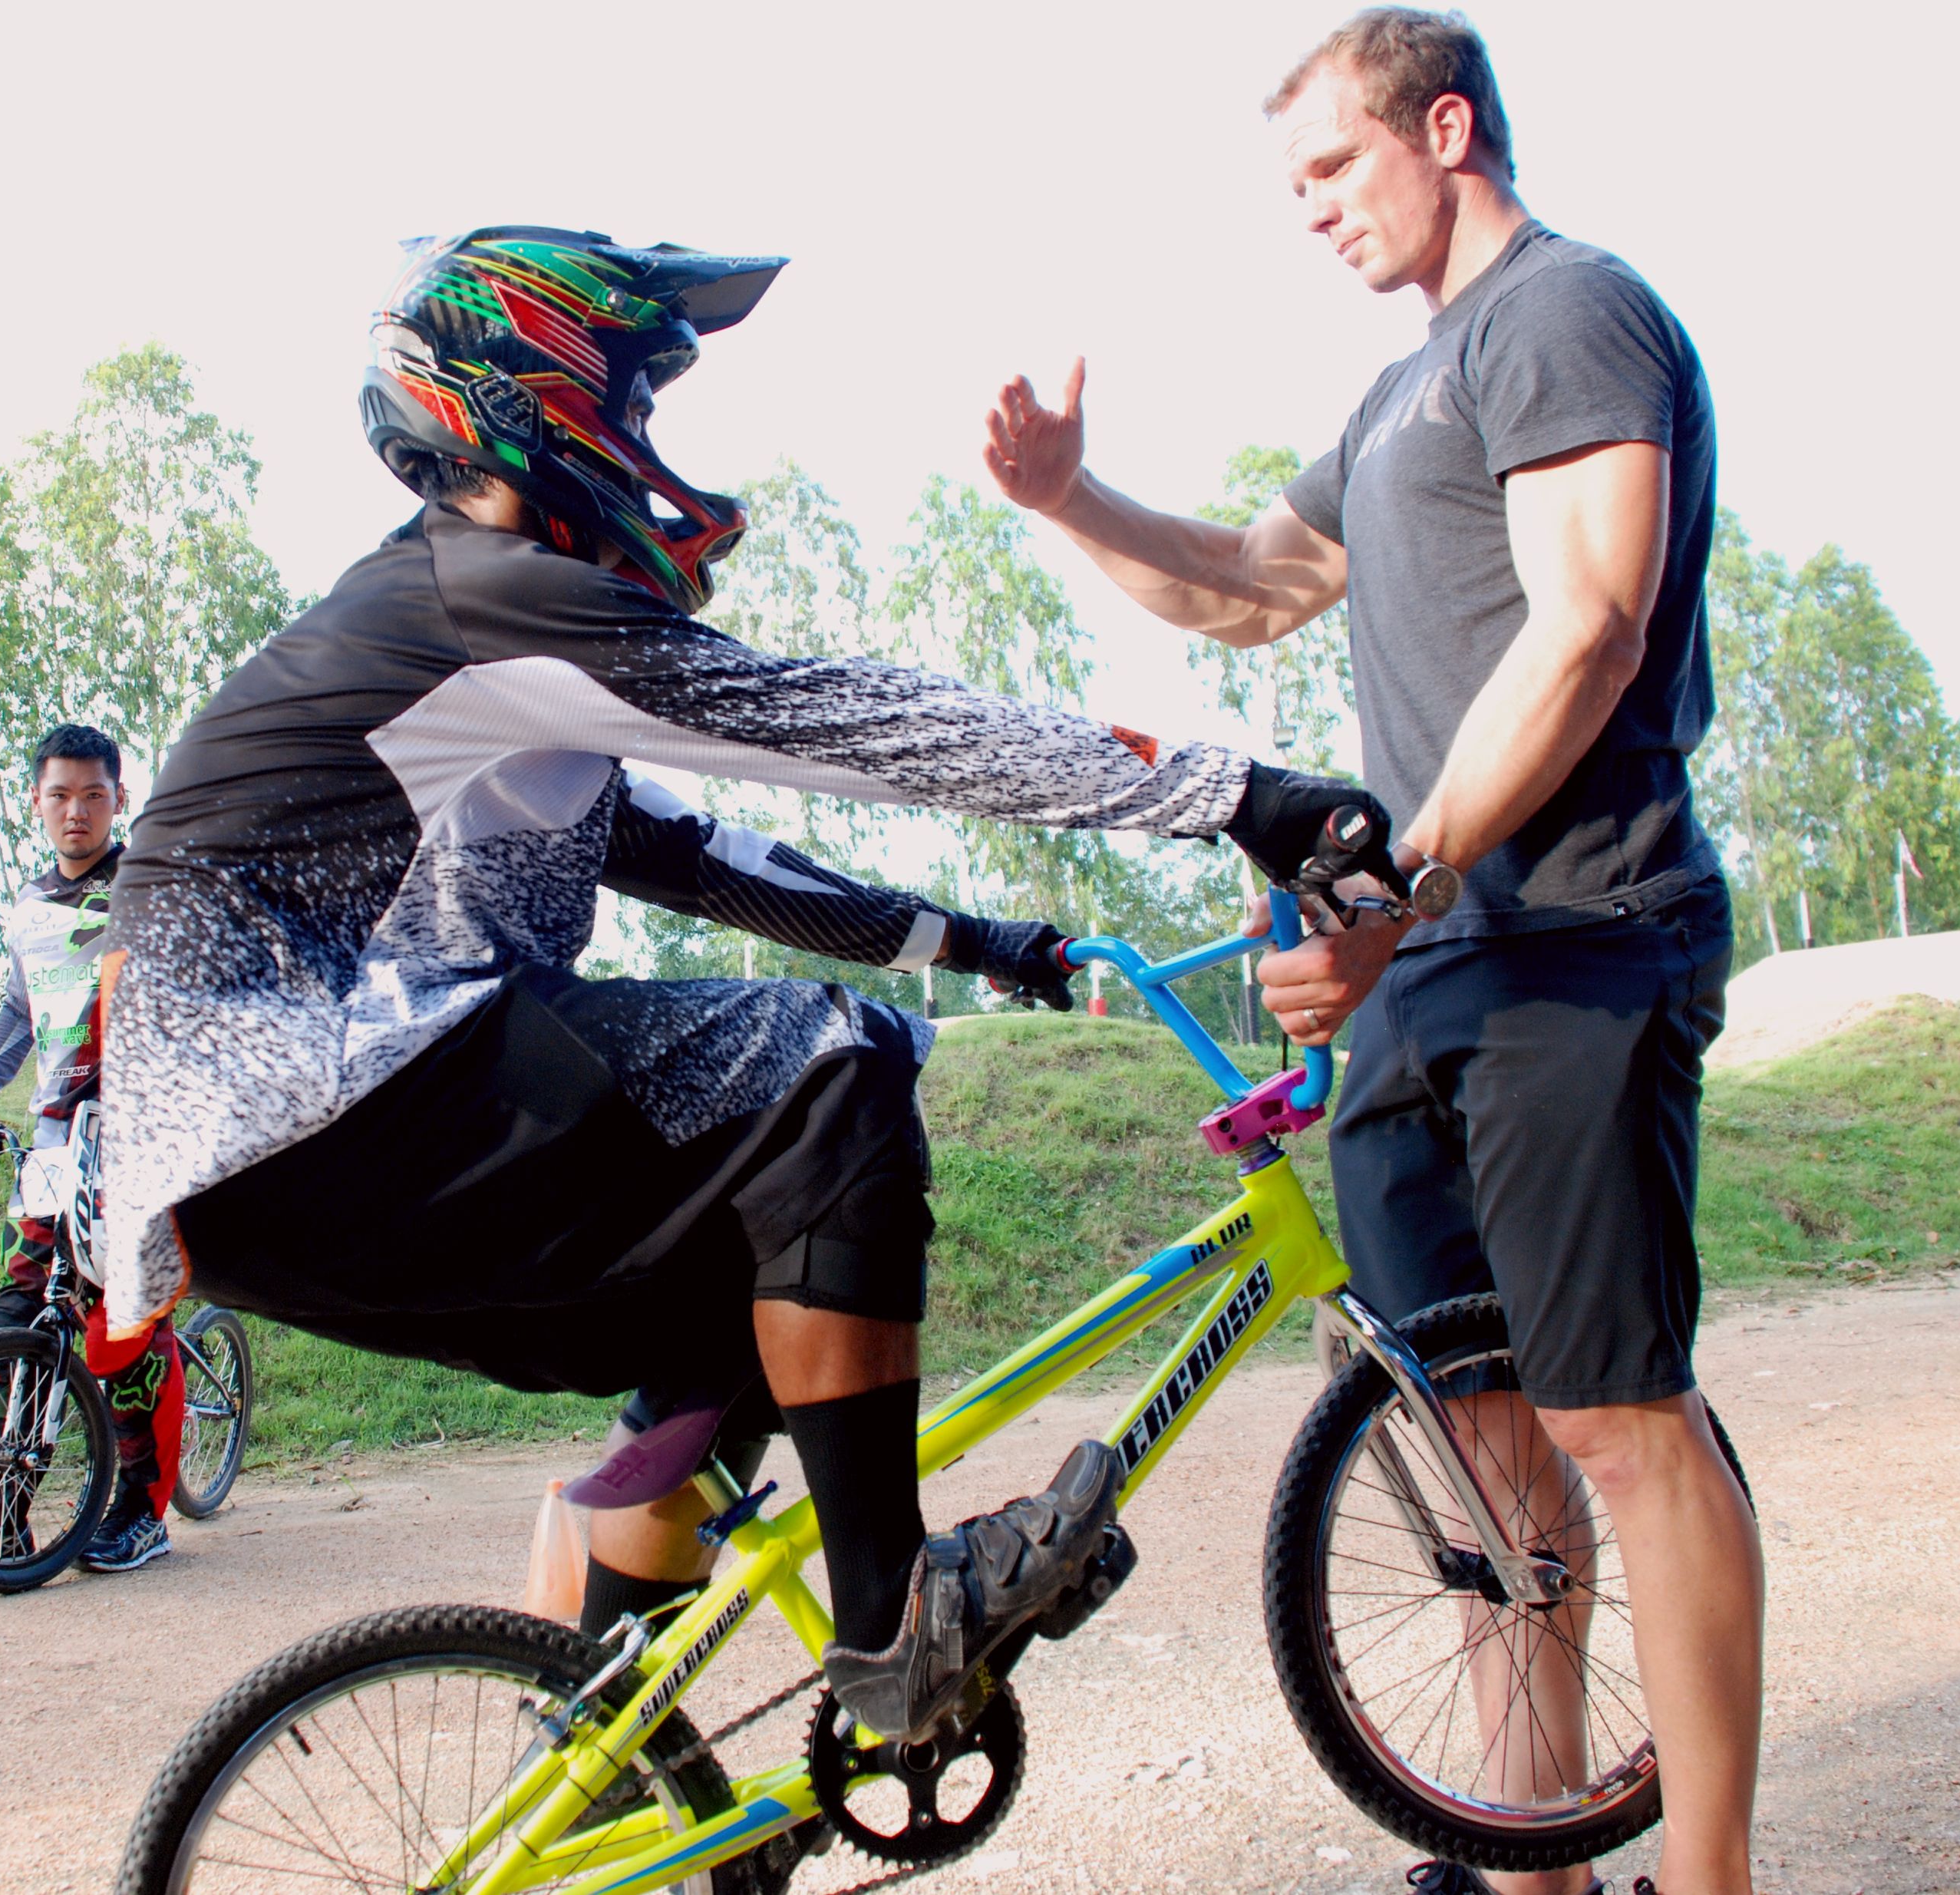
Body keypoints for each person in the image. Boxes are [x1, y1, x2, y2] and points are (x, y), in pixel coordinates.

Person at [91, 225, 1365, 1744]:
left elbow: (700, 854)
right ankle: (898, 1622)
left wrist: (975, 942)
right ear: (530, 395)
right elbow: (837, 722)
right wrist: (1235, 793)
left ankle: (625, 1760)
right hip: (291, 1094)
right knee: (829, 1070)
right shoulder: (482, 596)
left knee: (749, 1281)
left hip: (273, 1151)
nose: (641, 446)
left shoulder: (479, 639)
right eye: (627, 402)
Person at [977, 12, 1754, 1893]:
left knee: (1617, 1419)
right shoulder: (1410, 386)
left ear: (1445, 124)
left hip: (1574, 935)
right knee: (1482, 1441)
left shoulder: (1567, 313)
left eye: (1329, 167)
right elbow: (1253, 585)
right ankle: (1536, 1863)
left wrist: (1391, 872)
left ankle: (1712, 1875)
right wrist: (1064, 500)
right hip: (1423, 964)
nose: (1309, 210)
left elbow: (1585, 623)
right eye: (1292, 186)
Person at [0, 723, 186, 1582]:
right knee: (16, 1317)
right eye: (60, 795)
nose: (77, 811)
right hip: (56, 1150)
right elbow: (20, 1013)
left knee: (125, 1328)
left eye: (95, 795)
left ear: (119, 800)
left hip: (138, 1143)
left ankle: (143, 1508)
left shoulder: (145, 888)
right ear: (36, 801)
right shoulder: (27, 907)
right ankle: (0, 1512)